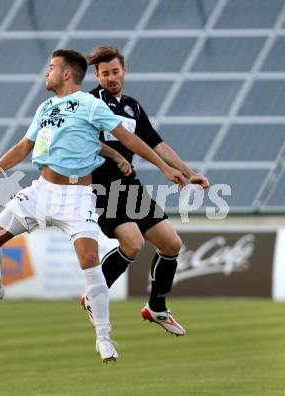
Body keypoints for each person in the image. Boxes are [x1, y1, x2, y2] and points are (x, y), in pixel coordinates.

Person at [0, 49, 186, 363]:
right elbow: (24, 146)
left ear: (66, 74)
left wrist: (165, 167)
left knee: (90, 261)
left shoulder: (91, 105)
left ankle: (104, 338)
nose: (46, 73)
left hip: (77, 197)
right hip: (41, 192)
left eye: (51, 68)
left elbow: (131, 139)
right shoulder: (45, 107)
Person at [81, 46, 209, 336]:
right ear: (97, 75)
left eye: (115, 72)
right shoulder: (89, 102)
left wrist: (189, 173)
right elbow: (81, 140)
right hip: (101, 186)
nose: (111, 78)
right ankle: (93, 294)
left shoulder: (132, 107)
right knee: (133, 244)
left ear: (124, 71)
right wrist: (114, 156)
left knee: (171, 244)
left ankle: (157, 307)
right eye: (105, 74)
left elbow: (157, 144)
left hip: (130, 187)